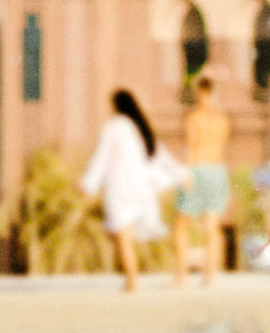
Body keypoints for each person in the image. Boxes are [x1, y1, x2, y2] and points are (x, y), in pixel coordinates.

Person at [82, 88, 173, 293]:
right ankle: (131, 278)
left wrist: (87, 184)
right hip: (140, 188)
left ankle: (132, 280)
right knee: (125, 235)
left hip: (120, 189)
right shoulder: (139, 127)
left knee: (122, 234)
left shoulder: (114, 127)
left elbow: (101, 158)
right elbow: (159, 156)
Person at [175, 79, 236, 277]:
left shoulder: (194, 117)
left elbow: (189, 147)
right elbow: (225, 148)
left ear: (199, 92)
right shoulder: (223, 119)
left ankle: (181, 274)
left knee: (182, 223)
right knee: (212, 224)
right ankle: (210, 274)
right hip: (217, 170)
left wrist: (185, 172)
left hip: (197, 168)